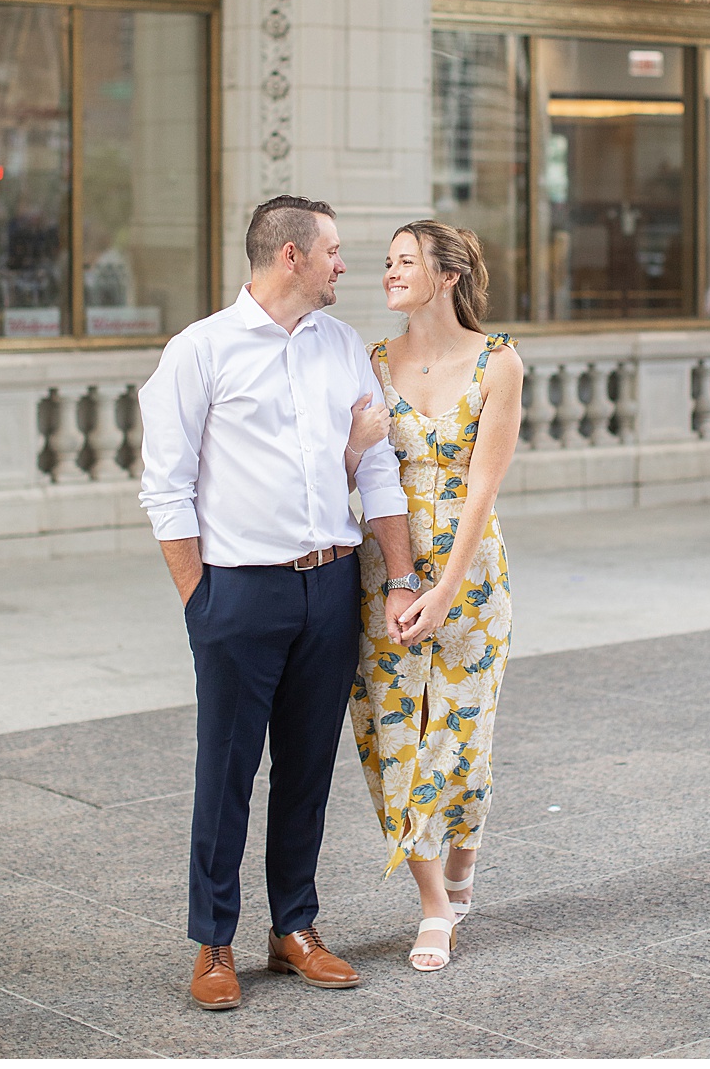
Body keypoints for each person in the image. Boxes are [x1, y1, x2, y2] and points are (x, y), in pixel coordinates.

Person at [138, 196, 420, 1012]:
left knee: (305, 770)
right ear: (290, 256)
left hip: (331, 585)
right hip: (239, 591)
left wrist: (397, 576)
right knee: (225, 772)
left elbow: (376, 475)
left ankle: (294, 927)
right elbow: (166, 488)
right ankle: (213, 941)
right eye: (332, 250)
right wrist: (202, 602)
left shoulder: (343, 350)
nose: (344, 264)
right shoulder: (201, 350)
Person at [347, 221, 521, 972]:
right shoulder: (370, 362)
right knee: (394, 738)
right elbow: (345, 467)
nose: (389, 272)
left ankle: (464, 845)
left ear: (447, 275)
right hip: (382, 574)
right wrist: (356, 443)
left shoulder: (498, 361)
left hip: (471, 578)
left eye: (405, 262)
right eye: (387, 262)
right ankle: (433, 905)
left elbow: (483, 487)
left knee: (460, 732)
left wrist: (447, 589)